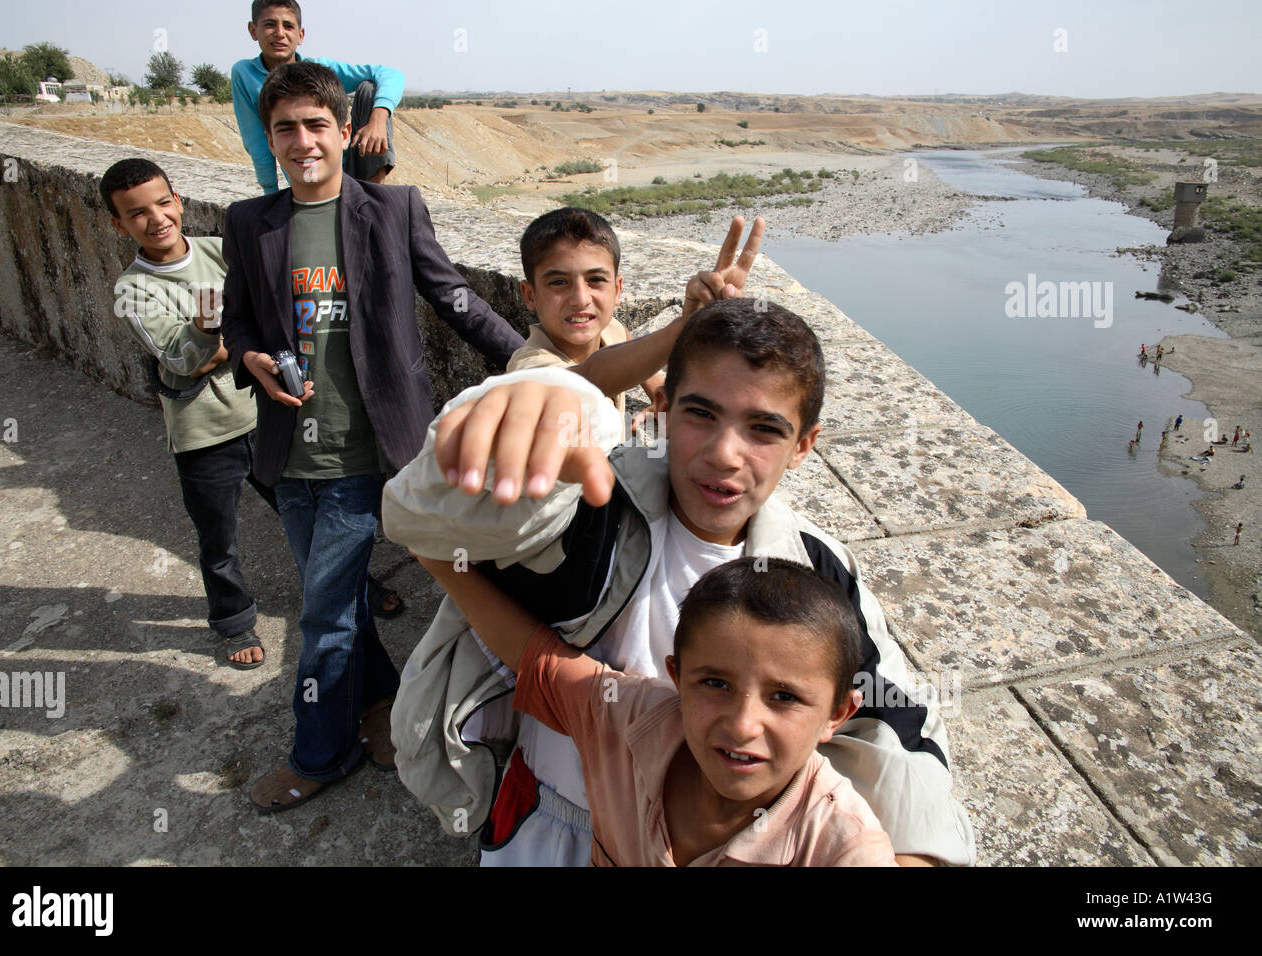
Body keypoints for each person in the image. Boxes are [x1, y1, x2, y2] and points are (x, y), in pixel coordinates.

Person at [383, 297, 976, 866]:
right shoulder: (590, 501)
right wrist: (548, 400)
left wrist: (913, 853)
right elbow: (419, 518)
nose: (724, 453)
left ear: (804, 445)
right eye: (701, 414)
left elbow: (895, 715)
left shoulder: (815, 567)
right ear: (662, 410)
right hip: (551, 815)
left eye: (764, 430)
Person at [220, 61, 524, 811]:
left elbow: (454, 296)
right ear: (270, 136)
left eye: (316, 125)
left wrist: (534, 361)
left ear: (345, 131)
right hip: (288, 459)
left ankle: (319, 756)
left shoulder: (391, 211)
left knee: (321, 616)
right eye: (285, 128)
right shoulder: (249, 223)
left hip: (366, 457)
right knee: (343, 599)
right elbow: (237, 321)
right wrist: (251, 356)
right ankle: (385, 704)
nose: (302, 141)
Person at [416, 554, 896, 866]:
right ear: (676, 677)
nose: (743, 724)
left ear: (838, 714)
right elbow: (537, 658)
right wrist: (436, 557)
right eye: (714, 683)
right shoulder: (629, 718)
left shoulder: (842, 848)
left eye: (785, 697)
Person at [102, 158, 274, 669]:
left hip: (264, 413)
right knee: (217, 539)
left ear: (178, 201)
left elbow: (268, 312)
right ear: (119, 225)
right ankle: (234, 621)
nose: (155, 219)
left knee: (310, 514)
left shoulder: (220, 251)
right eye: (136, 214)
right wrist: (217, 337)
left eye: (161, 203)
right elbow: (181, 358)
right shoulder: (133, 291)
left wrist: (212, 342)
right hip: (203, 434)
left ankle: (356, 590)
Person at [508, 208, 765, 439]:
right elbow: (590, 377)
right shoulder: (527, 369)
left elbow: (625, 339)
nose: (580, 299)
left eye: (595, 279)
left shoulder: (608, 329)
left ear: (618, 289)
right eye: (558, 282)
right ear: (529, 295)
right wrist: (685, 326)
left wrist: (660, 391)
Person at [232, 0, 403, 194]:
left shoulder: (319, 72)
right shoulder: (245, 74)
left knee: (369, 90)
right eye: (270, 24)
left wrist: (378, 119)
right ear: (253, 31)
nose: (280, 33)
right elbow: (258, 144)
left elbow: (391, 75)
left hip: (349, 165)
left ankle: (374, 194)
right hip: (307, 172)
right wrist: (270, 195)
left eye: (288, 26)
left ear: (300, 35)